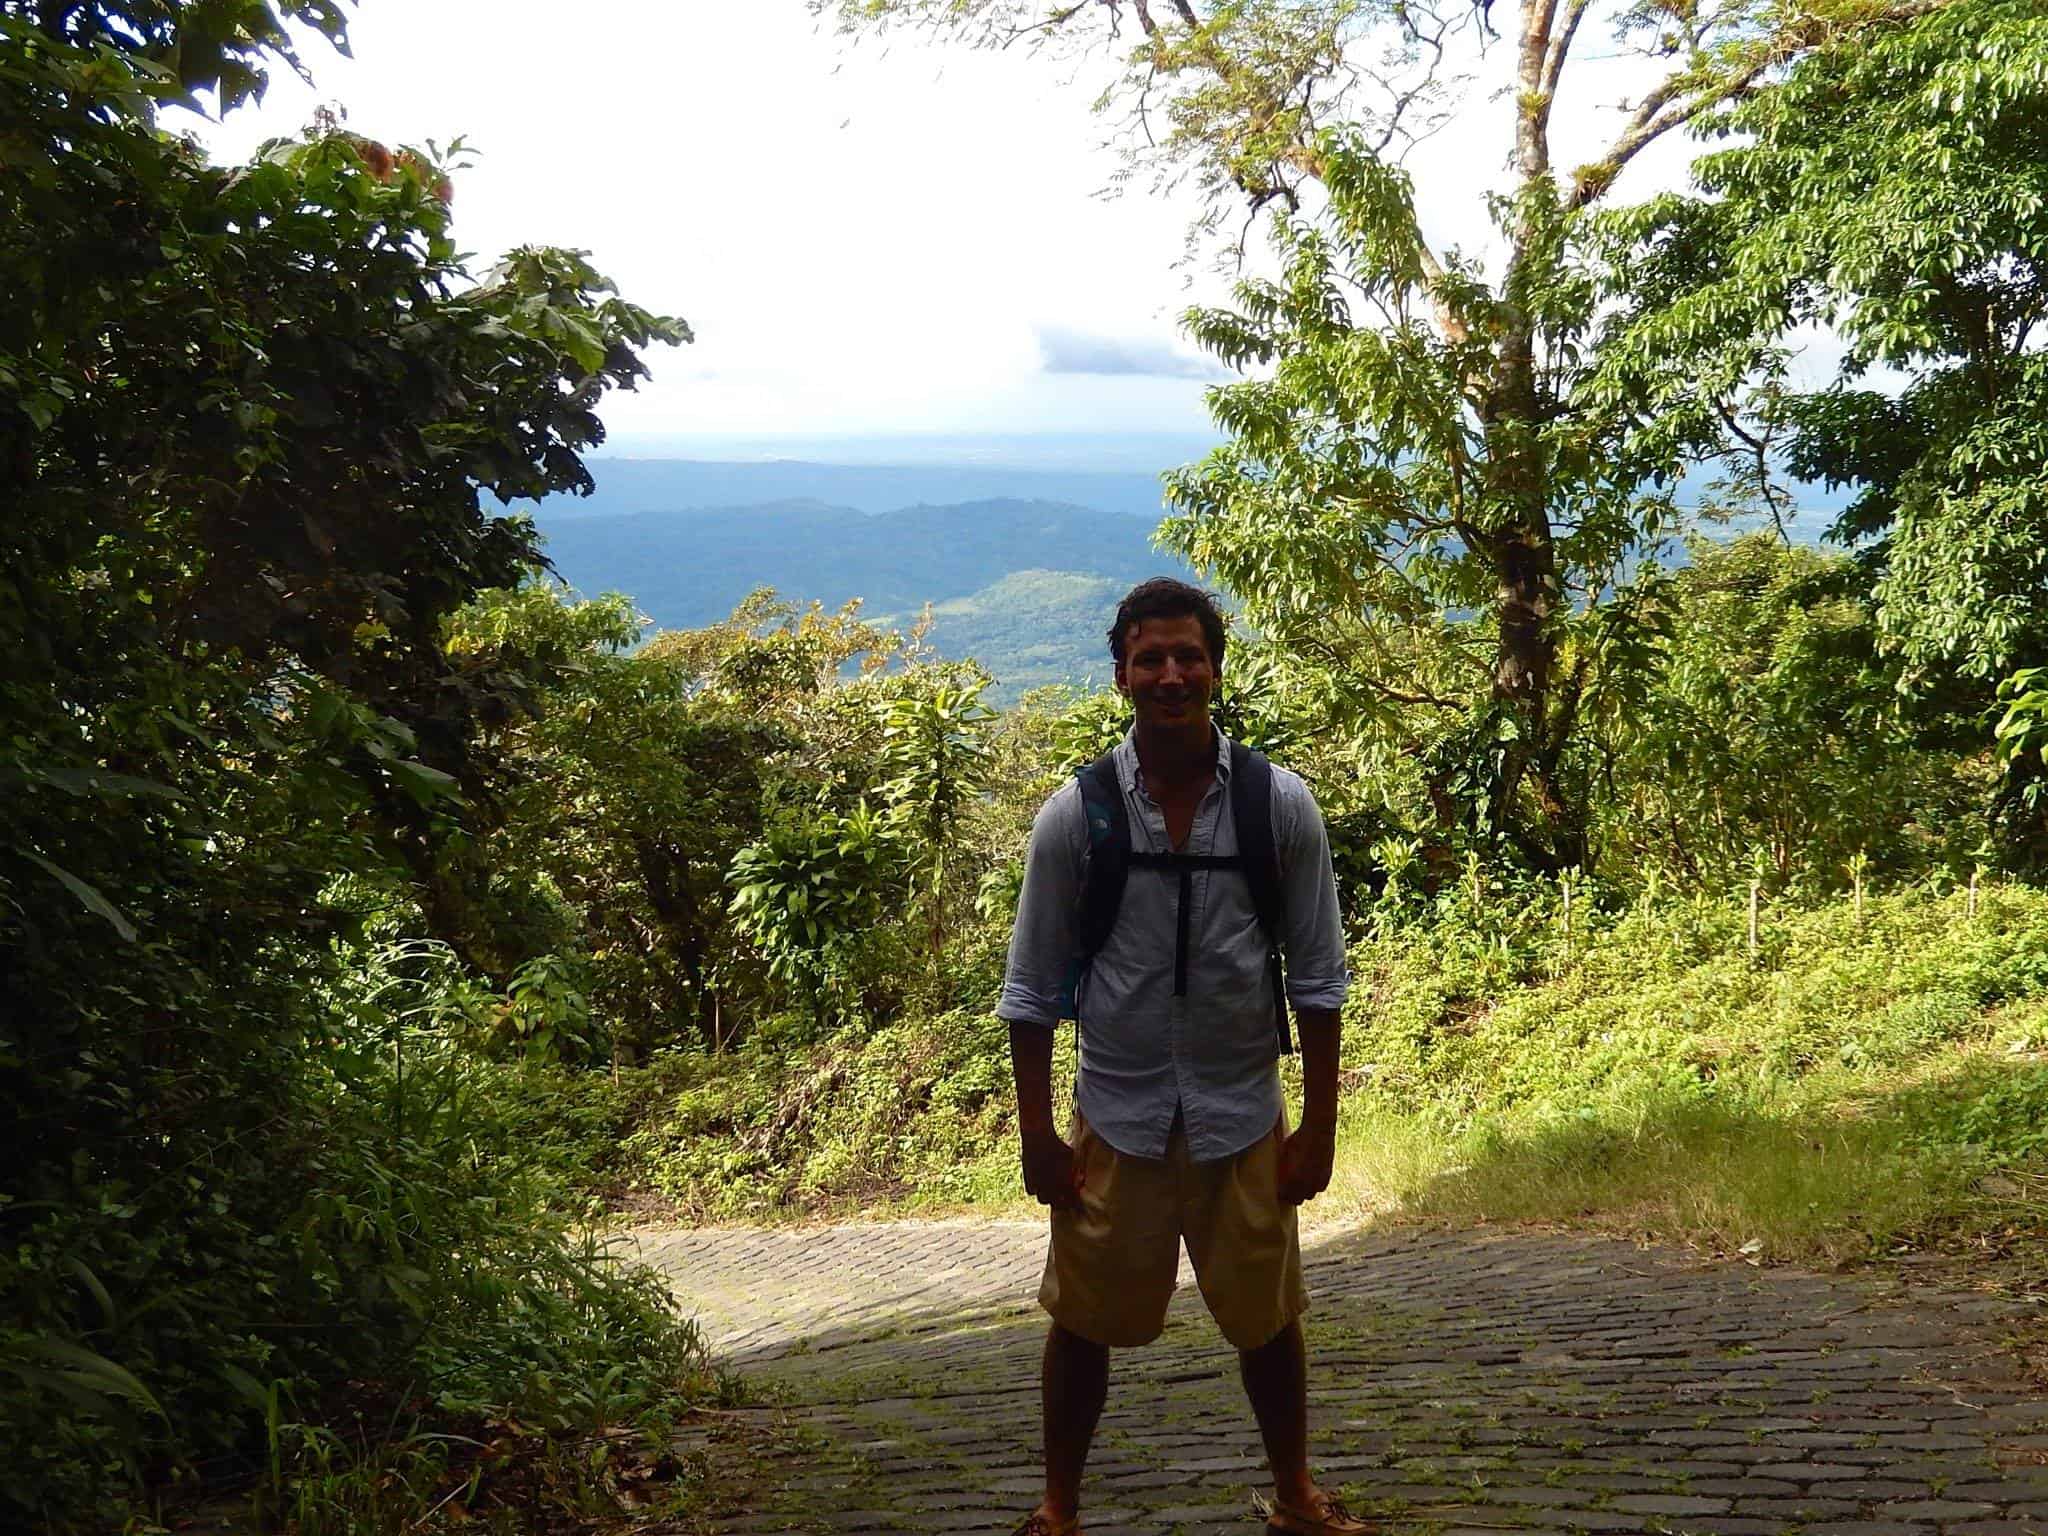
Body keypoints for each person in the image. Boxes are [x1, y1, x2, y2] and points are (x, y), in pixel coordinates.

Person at [997, 577, 1368, 1536]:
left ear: (1216, 667)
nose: (1172, 675)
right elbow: (1032, 988)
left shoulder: (1276, 805)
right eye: (1150, 659)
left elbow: (1320, 977)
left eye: (1188, 656)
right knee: (1080, 1323)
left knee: (1268, 1319)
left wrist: (1320, 1128)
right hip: (1115, 1116)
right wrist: (1037, 1133)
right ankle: (1058, 1506)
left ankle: (1294, 1494)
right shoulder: (1075, 816)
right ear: (1121, 674)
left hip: (1242, 1111)